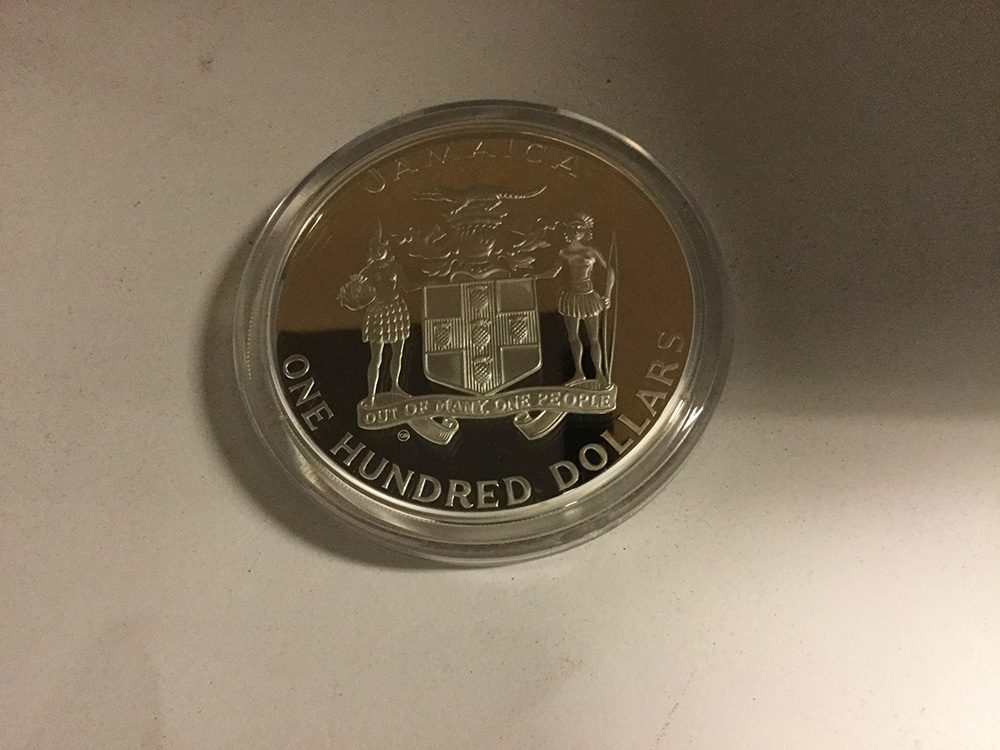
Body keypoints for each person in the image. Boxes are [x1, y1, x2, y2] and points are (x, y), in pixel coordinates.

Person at [340, 228, 413, 401]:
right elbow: (361, 298)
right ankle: (371, 394)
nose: (377, 252)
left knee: (398, 353)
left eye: (381, 248)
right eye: (374, 249)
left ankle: (395, 386)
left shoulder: (395, 267)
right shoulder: (367, 273)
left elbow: (408, 287)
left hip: (396, 310)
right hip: (378, 312)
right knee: (376, 357)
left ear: (387, 249)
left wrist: (429, 284)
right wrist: (349, 299)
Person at [548, 212, 613, 383]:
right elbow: (553, 272)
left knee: (594, 338)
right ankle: (579, 372)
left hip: (589, 296)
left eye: (580, 227)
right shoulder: (564, 252)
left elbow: (609, 271)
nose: (577, 230)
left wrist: (608, 295)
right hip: (571, 297)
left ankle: (599, 373)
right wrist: (533, 276)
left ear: (586, 230)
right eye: (573, 227)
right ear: (568, 230)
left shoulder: (591, 251)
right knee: (573, 337)